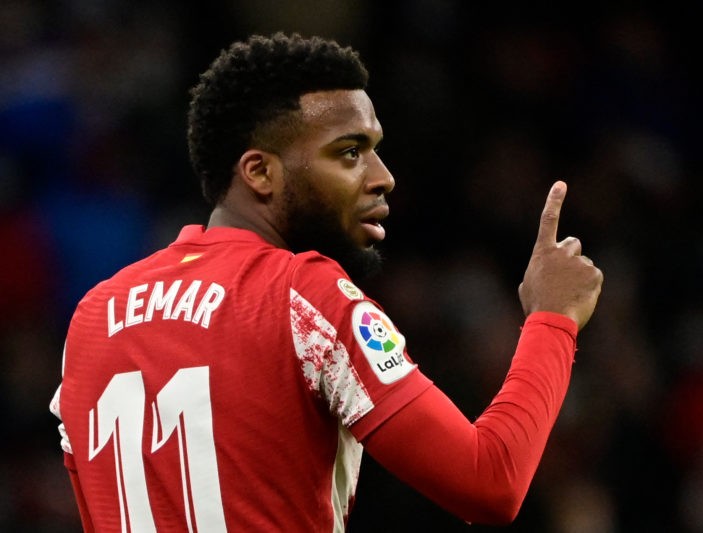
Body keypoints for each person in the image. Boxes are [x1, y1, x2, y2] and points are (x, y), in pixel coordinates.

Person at [49, 32, 603, 532]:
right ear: (260, 172)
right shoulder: (301, 295)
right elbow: (491, 484)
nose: (383, 177)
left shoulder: (93, 317)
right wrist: (551, 318)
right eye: (350, 153)